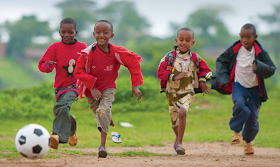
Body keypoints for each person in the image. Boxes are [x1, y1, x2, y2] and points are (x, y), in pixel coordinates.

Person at [74, 20, 143, 158]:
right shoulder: (87, 53)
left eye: (105, 33)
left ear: (111, 35)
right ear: (94, 34)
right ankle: (107, 117)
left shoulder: (116, 52)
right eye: (98, 32)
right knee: (100, 114)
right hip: (90, 91)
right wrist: (92, 86)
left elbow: (133, 62)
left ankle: (102, 146)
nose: (101, 35)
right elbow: (78, 72)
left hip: (108, 88)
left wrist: (135, 86)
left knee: (102, 111)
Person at [210, 23, 276, 155]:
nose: (244, 40)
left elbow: (271, 69)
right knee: (240, 106)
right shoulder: (234, 49)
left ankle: (248, 142)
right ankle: (236, 133)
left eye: (248, 37)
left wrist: (260, 67)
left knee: (252, 118)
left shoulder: (261, 53)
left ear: (255, 37)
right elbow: (221, 61)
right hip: (239, 86)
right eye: (242, 36)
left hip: (255, 90)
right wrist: (223, 80)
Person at [157, 27, 212, 155]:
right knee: (174, 120)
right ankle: (177, 138)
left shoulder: (195, 58)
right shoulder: (169, 57)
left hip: (188, 91)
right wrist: (175, 77)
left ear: (192, 43)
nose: (184, 42)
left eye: (187, 40)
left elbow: (206, 70)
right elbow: (160, 72)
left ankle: (180, 142)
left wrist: (203, 82)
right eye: (181, 39)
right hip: (171, 92)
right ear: (176, 40)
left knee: (182, 112)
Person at [38, 18, 87, 149]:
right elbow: (42, 65)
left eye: (70, 32)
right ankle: (72, 130)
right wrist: (48, 65)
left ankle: (56, 136)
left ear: (75, 32)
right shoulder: (54, 48)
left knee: (62, 105)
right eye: (63, 32)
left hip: (75, 85)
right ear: (59, 32)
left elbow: (90, 64)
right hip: (60, 87)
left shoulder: (82, 47)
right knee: (61, 110)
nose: (67, 35)